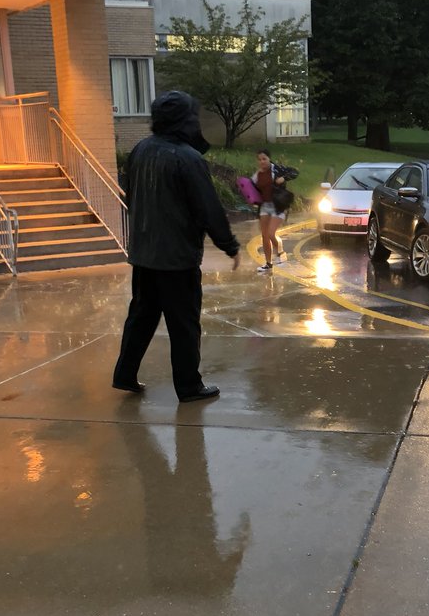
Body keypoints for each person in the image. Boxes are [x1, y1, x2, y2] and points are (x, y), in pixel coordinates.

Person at [112, 91, 240, 403]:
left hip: (144, 255)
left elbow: (130, 194)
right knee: (183, 324)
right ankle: (188, 386)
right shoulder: (188, 158)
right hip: (177, 259)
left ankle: (125, 374)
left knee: (141, 316)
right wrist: (229, 245)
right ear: (185, 120)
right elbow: (208, 208)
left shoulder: (140, 150)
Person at [251, 150, 299, 272]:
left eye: (264, 159)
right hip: (264, 207)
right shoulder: (257, 175)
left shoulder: (276, 169)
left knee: (271, 233)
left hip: (278, 206)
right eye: (260, 159)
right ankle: (268, 263)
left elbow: (295, 172)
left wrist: (283, 178)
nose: (262, 162)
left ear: (269, 159)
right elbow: (253, 190)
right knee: (264, 236)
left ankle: (280, 252)